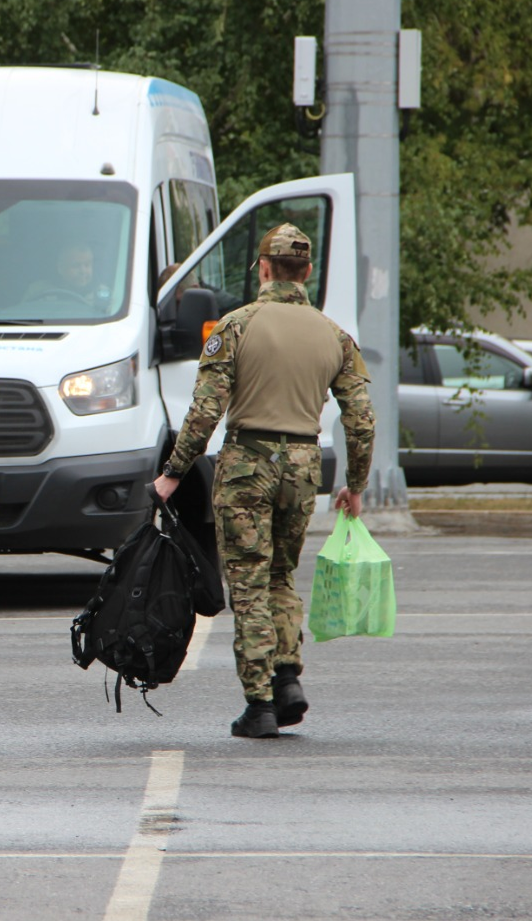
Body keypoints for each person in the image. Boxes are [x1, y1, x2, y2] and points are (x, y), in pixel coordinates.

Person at [152, 223, 375, 738]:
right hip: (303, 466)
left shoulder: (235, 326)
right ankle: (288, 675)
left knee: (249, 582)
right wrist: (355, 485)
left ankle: (260, 704)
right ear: (309, 272)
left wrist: (172, 475)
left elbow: (205, 411)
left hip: (247, 465)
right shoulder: (336, 336)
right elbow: (361, 420)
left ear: (264, 269)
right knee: (280, 576)